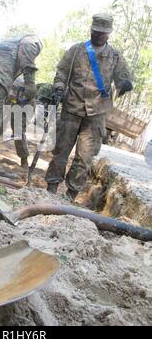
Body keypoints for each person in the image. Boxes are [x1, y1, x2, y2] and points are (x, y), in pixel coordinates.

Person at [45, 13, 133, 200]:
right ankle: (51, 188)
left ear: (108, 34)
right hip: (72, 107)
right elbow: (61, 71)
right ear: (91, 29)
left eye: (102, 33)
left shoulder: (115, 57)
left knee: (85, 157)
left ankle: (71, 195)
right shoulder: (76, 50)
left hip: (97, 114)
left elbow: (123, 79)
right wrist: (59, 87)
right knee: (60, 149)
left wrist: (125, 85)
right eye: (96, 31)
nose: (99, 35)